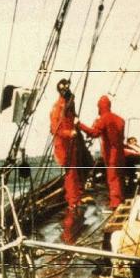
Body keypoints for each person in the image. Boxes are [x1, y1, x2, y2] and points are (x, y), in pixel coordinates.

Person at [78, 95, 125, 208]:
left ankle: (115, 202)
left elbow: (94, 133)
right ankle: (121, 197)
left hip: (110, 153)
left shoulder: (103, 119)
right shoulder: (120, 119)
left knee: (112, 177)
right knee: (119, 176)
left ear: (100, 107)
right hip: (120, 151)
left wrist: (79, 125)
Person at [50, 79, 82, 208]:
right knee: (70, 173)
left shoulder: (69, 105)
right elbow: (54, 129)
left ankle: (75, 198)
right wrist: (69, 133)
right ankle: (72, 201)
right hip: (63, 145)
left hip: (71, 143)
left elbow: (71, 118)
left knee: (74, 172)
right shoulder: (57, 108)